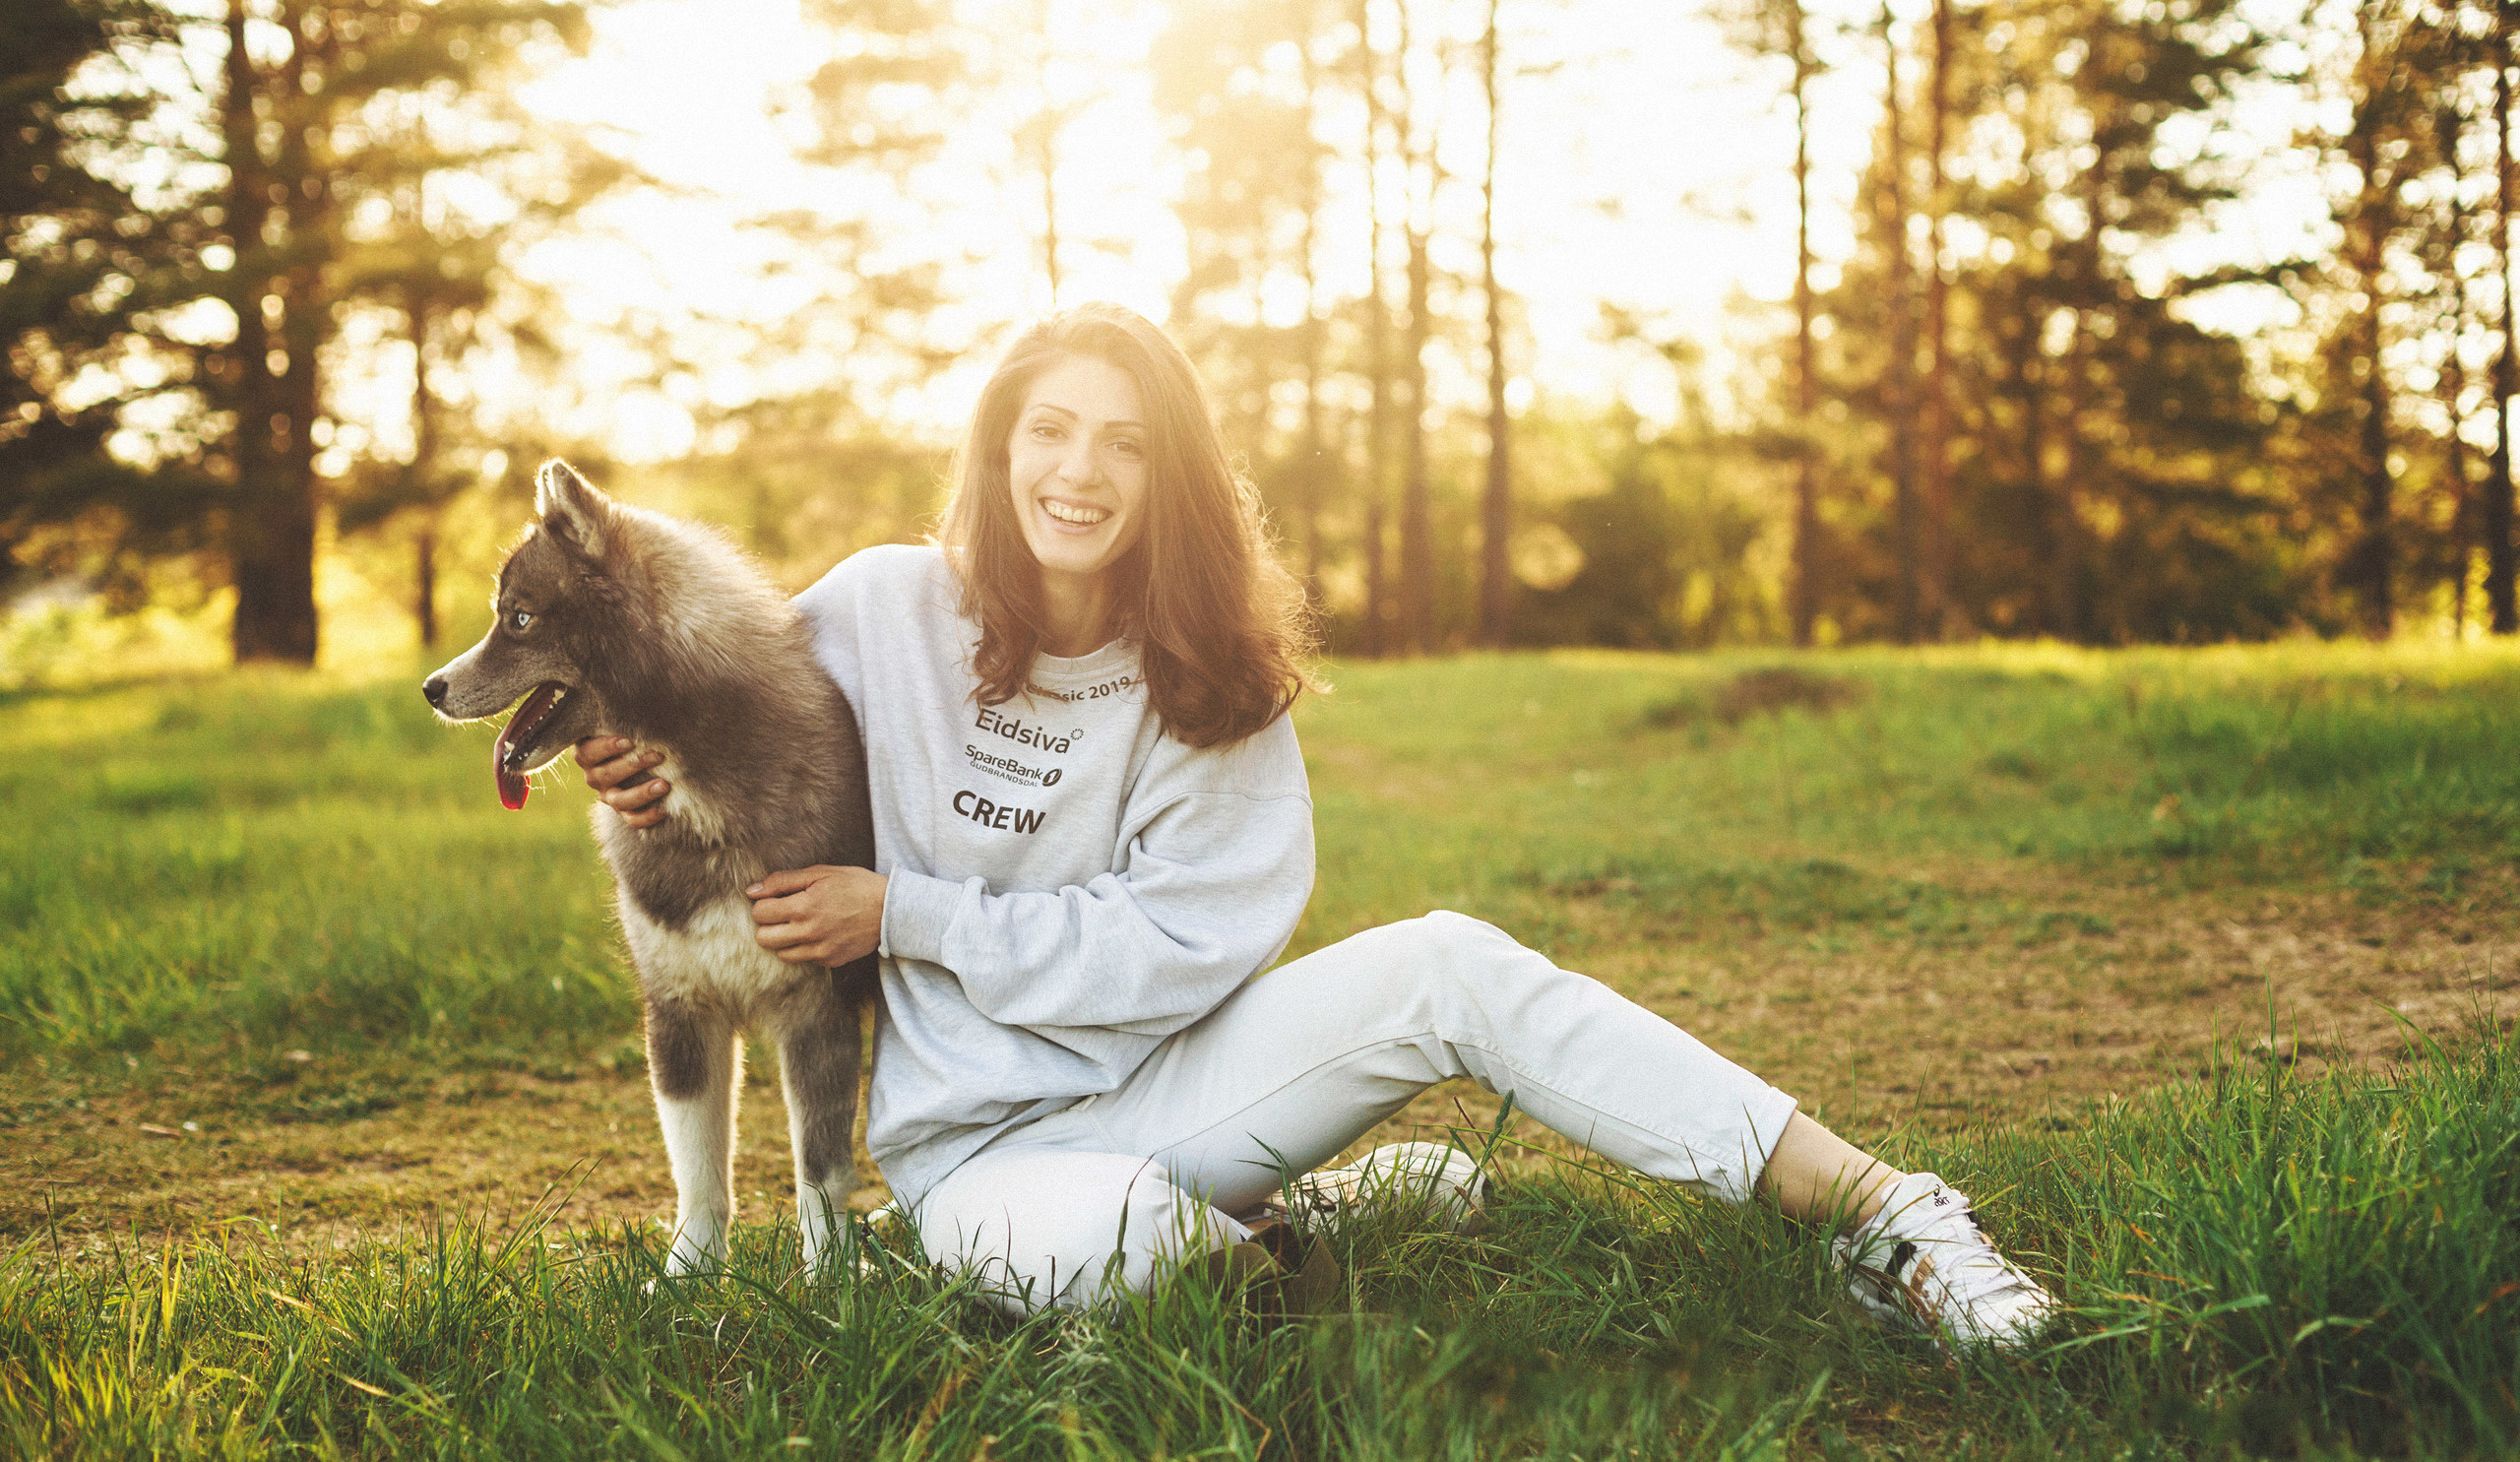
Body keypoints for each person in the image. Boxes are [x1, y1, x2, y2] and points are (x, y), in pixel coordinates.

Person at [574, 303, 2053, 1348]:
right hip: (978, 1149)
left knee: (1454, 962)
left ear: (1170, 476)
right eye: (1049, 431)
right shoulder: (877, 608)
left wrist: (914, 915)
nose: (1077, 472)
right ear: (999, 446)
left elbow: (1186, 949)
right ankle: (1314, 1222)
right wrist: (625, 758)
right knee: (1132, 1252)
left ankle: (1891, 1217)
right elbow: (689, 680)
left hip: (1178, 1081)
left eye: (1123, 445)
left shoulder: (1208, 673)